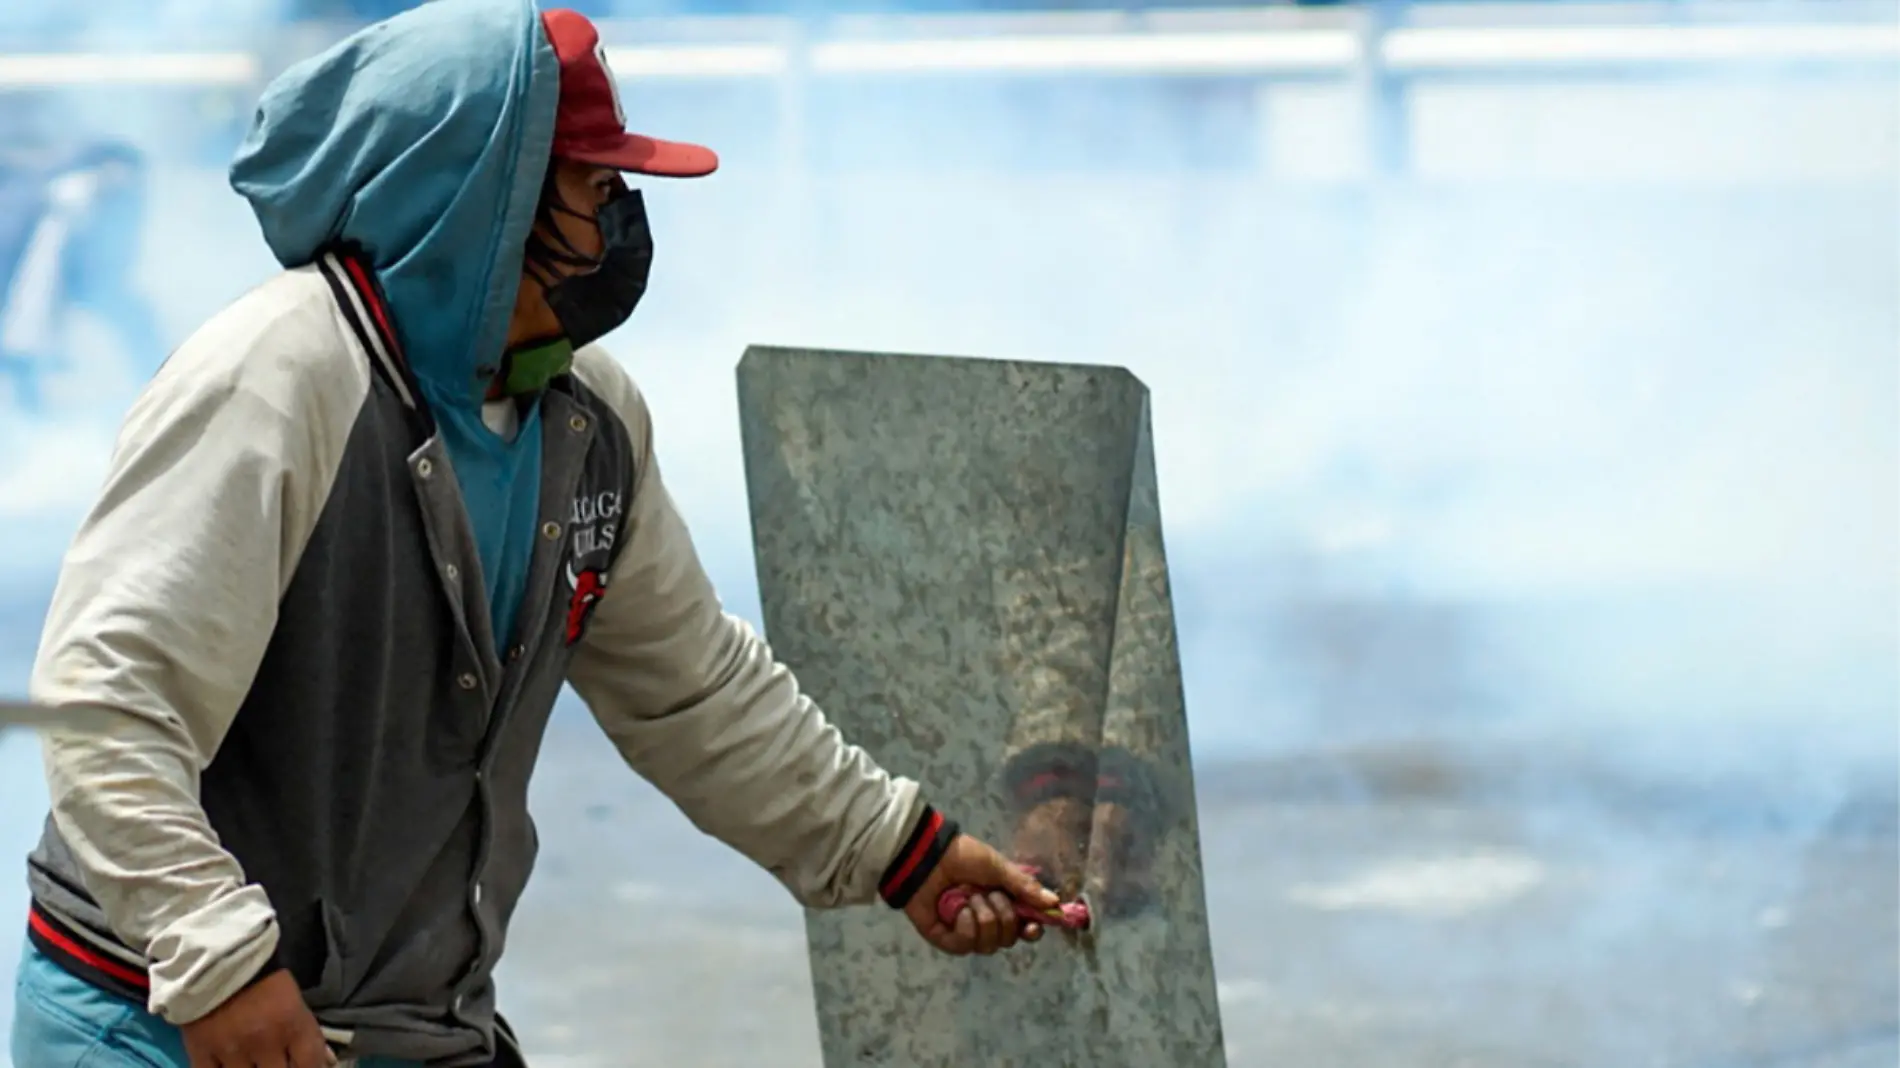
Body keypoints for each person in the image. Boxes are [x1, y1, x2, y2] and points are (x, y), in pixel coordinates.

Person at [8, 2, 1057, 1066]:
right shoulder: (276, 381)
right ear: (486, 198)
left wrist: (901, 850)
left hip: (405, 1030)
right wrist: (217, 962)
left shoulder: (584, 418)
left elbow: (692, 692)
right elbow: (108, 707)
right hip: (162, 1023)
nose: (622, 224)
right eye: (595, 188)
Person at [0, 140, 160, 411]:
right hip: (40, 283)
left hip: (81, 281)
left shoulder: (114, 197)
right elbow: (44, 268)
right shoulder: (69, 196)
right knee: (25, 353)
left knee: (139, 329)